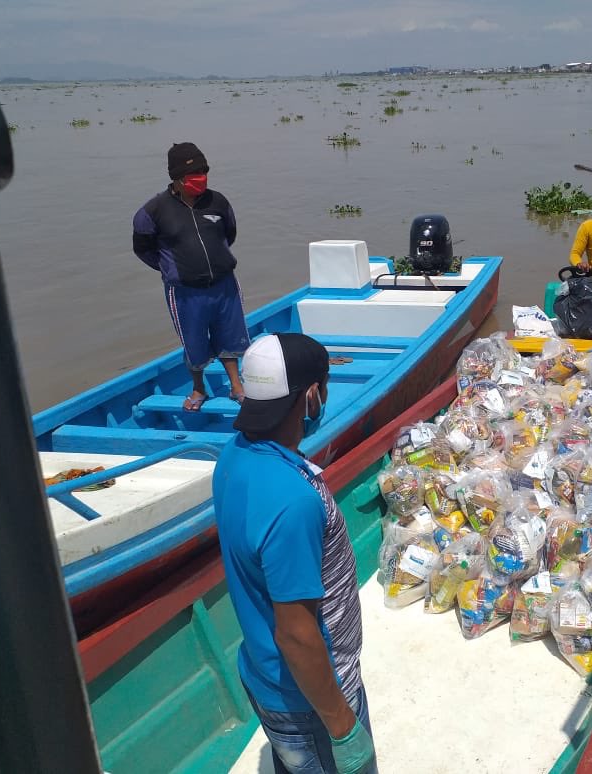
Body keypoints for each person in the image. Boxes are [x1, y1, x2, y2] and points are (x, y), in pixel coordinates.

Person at [212, 333, 376, 774]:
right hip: (310, 702)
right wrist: (341, 725)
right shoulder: (291, 500)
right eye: (325, 386)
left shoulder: (235, 453)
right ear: (311, 396)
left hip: (264, 675)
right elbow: (297, 635)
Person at [132, 142, 250, 411]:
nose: (200, 179)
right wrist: (171, 268)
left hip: (224, 284)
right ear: (177, 180)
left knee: (231, 337)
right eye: (193, 176)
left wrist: (214, 260)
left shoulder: (218, 201)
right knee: (194, 342)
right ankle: (199, 388)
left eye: (203, 172)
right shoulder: (152, 211)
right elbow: (143, 249)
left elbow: (229, 234)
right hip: (184, 292)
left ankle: (237, 386)